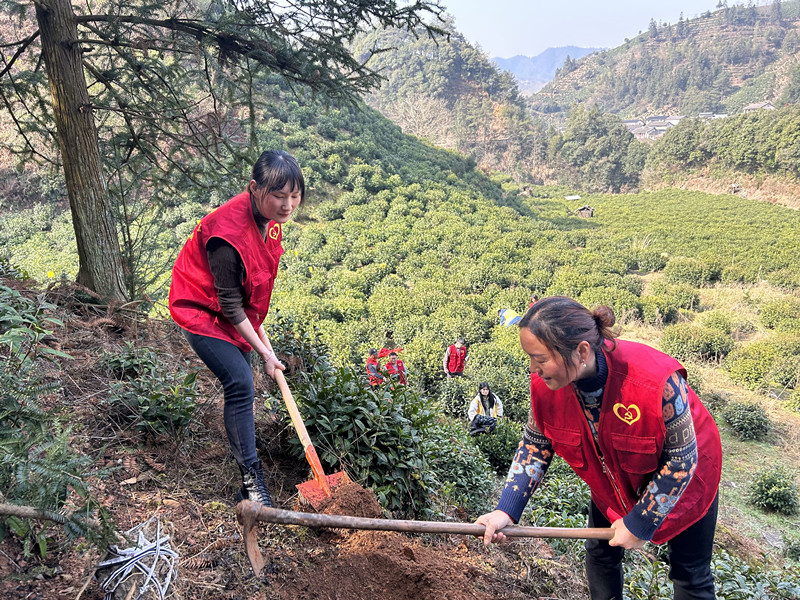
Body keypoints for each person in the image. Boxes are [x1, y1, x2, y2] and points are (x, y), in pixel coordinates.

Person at [476, 296, 721, 600]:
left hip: (689, 484)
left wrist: (640, 521)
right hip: (613, 480)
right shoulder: (546, 387)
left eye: (540, 359)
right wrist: (506, 510)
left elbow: (682, 460)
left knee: (690, 575)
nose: (534, 369)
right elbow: (536, 445)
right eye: (530, 359)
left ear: (581, 351)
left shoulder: (656, 381)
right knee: (601, 555)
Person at [169, 150, 305, 508]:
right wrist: (265, 353)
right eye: (279, 195)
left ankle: (247, 479)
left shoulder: (269, 222)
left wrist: (260, 340)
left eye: (294, 195)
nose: (287, 205)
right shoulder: (225, 235)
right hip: (201, 311)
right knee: (241, 383)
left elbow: (251, 291)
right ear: (254, 189)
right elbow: (228, 305)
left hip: (236, 317)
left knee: (242, 385)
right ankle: (251, 479)